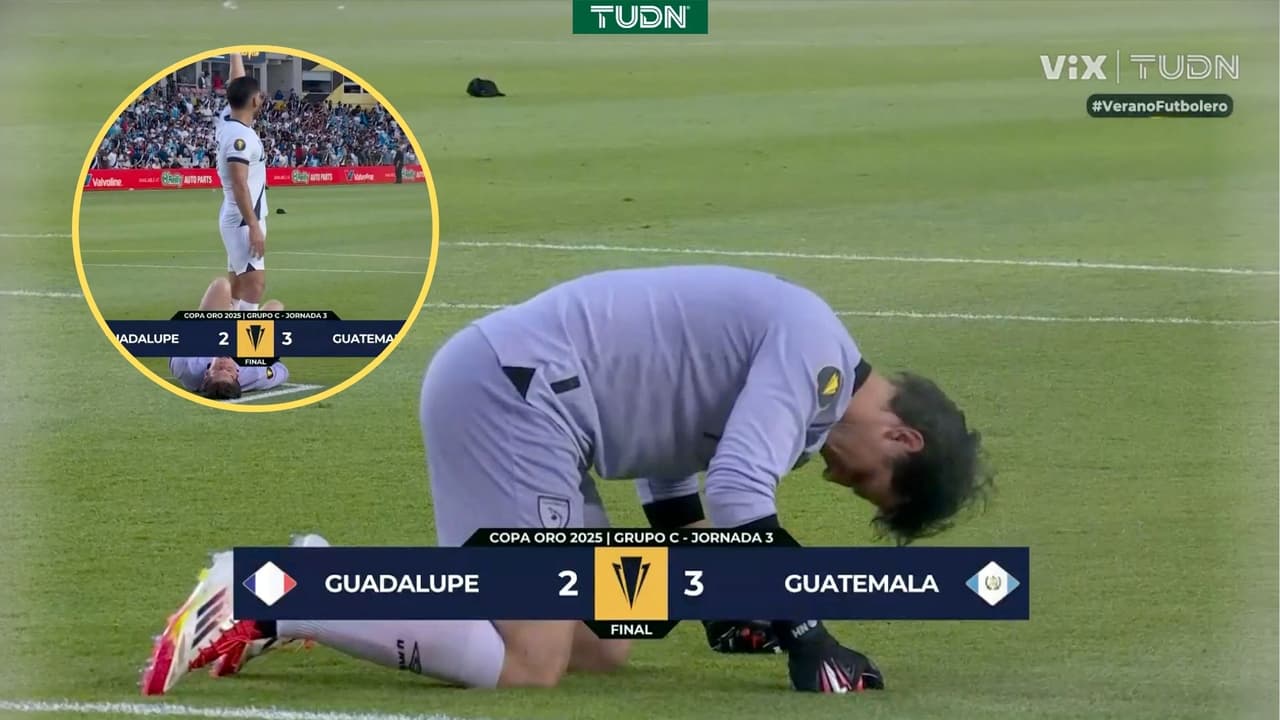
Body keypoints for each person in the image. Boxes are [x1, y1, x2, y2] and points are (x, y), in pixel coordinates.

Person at [141, 265, 992, 695]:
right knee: (533, 658)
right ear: (901, 436)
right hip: (516, 397)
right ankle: (275, 590)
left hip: (540, 408)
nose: (842, 481)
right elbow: (740, 495)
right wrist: (809, 635)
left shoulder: (813, 386)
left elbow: (674, 445)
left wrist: (715, 591)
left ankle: (320, 576)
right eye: (868, 480)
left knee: (603, 641)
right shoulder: (817, 358)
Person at [167, 277, 289, 400]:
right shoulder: (252, 375)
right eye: (229, 370)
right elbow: (281, 371)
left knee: (222, 286)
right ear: (237, 375)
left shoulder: (187, 367)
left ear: (206, 374)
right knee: (275, 308)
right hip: (241, 354)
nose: (224, 364)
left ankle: (235, 309)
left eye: (219, 369)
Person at [215, 52, 269, 312]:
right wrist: (254, 226)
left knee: (237, 287)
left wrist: (235, 52)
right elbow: (240, 183)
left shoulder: (228, 118)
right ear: (255, 100)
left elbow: (237, 81)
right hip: (242, 220)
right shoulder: (241, 139)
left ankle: (227, 331)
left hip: (240, 217)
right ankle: (247, 336)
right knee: (254, 285)